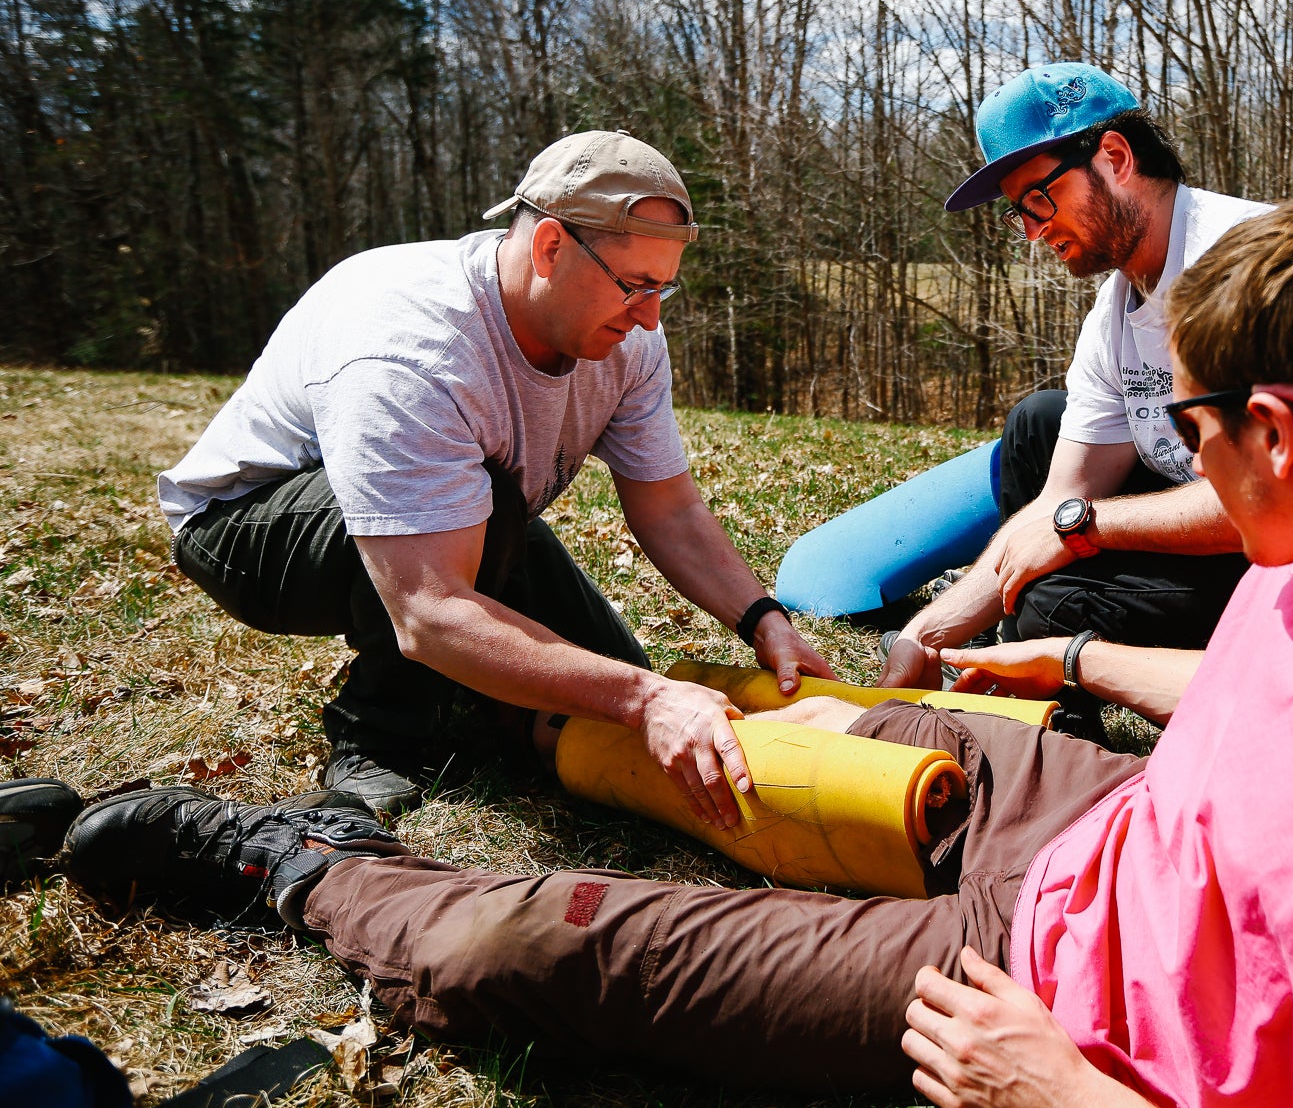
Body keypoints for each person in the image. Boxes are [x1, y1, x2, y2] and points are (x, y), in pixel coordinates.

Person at [68, 199, 1293, 1105]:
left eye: (1186, 430)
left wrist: (1062, 1089)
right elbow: (1291, 705)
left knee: (547, 948)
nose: (1174, 461)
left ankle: (290, 862)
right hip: (1108, 833)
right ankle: (508, 728)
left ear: (1271, 435)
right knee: (788, 733)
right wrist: (1063, 668)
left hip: (1049, 996)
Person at [155, 131, 834, 823]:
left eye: (665, 287)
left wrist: (762, 620)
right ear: (550, 247)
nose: (651, 316)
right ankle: (375, 736)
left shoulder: (631, 340)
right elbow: (430, 612)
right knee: (594, 654)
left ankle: (486, 710)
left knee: (609, 684)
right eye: (636, 286)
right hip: (250, 527)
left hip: (477, 516)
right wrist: (646, 698)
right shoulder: (414, 346)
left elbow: (670, 510)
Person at [880, 64, 1270, 733]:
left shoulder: (1243, 268)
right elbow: (1056, 499)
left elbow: (1272, 505)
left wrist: (1076, 528)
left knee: (1051, 602)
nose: (1033, 232)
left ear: (1114, 157)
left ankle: (1064, 705)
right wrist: (931, 631)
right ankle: (1025, 653)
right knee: (1039, 423)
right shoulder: (1116, 306)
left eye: (1040, 199)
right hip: (1204, 521)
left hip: (1285, 564)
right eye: (1018, 214)